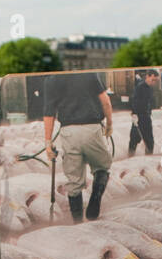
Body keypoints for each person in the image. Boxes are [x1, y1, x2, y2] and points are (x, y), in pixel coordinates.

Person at [43, 71, 113, 222]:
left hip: (69, 132)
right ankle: (95, 200)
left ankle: (77, 223)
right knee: (102, 167)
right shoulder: (89, 73)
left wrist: (48, 143)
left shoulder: (52, 78)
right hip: (92, 129)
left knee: (74, 181)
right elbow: (105, 101)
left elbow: (49, 113)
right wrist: (109, 124)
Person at [128, 69, 159, 156]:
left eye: (155, 81)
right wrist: (134, 114)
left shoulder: (150, 88)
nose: (154, 82)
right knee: (134, 139)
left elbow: (149, 102)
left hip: (146, 117)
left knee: (149, 140)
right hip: (138, 117)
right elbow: (134, 100)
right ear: (148, 76)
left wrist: (149, 111)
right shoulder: (140, 87)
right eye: (153, 80)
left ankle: (148, 157)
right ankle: (130, 157)